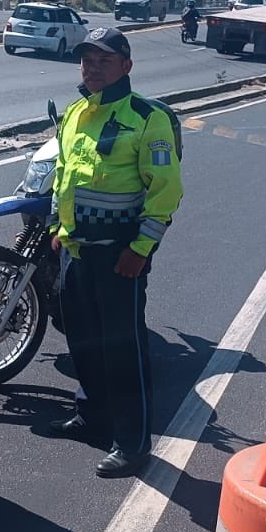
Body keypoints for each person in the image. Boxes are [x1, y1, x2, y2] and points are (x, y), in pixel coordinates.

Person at [44, 27, 184, 478]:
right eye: (87, 60)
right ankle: (92, 417)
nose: (93, 67)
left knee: (122, 350)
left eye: (104, 60)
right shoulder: (75, 113)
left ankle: (132, 442)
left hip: (119, 256)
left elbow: (166, 191)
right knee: (82, 341)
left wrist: (141, 249)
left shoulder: (147, 118)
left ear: (126, 66)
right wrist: (56, 228)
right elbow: (64, 173)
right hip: (75, 251)